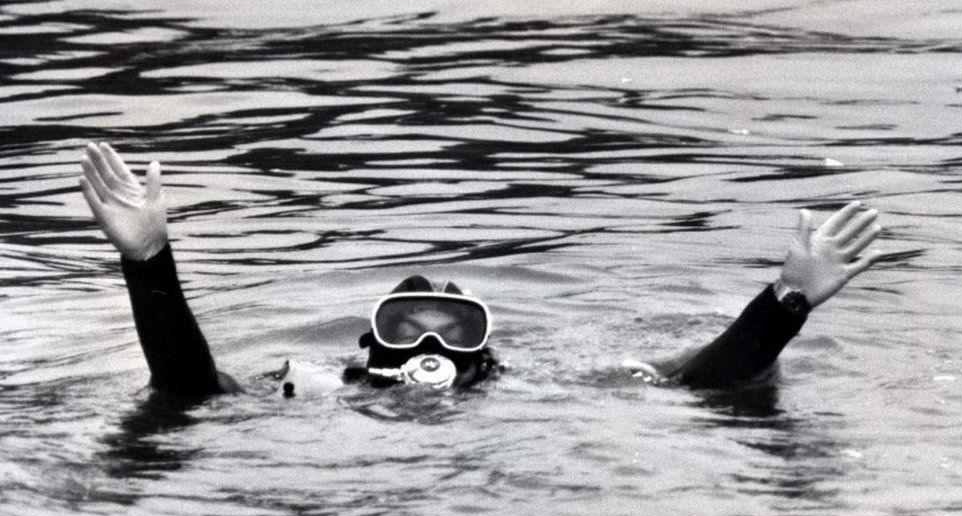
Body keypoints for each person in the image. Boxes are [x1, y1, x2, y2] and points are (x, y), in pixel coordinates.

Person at [79, 142, 883, 397]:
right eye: (406, 324)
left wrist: (787, 302)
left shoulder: (534, 386)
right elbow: (190, 385)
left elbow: (698, 378)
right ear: (368, 345)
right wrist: (150, 261)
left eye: (455, 325)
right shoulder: (320, 388)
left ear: (487, 349)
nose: (429, 340)